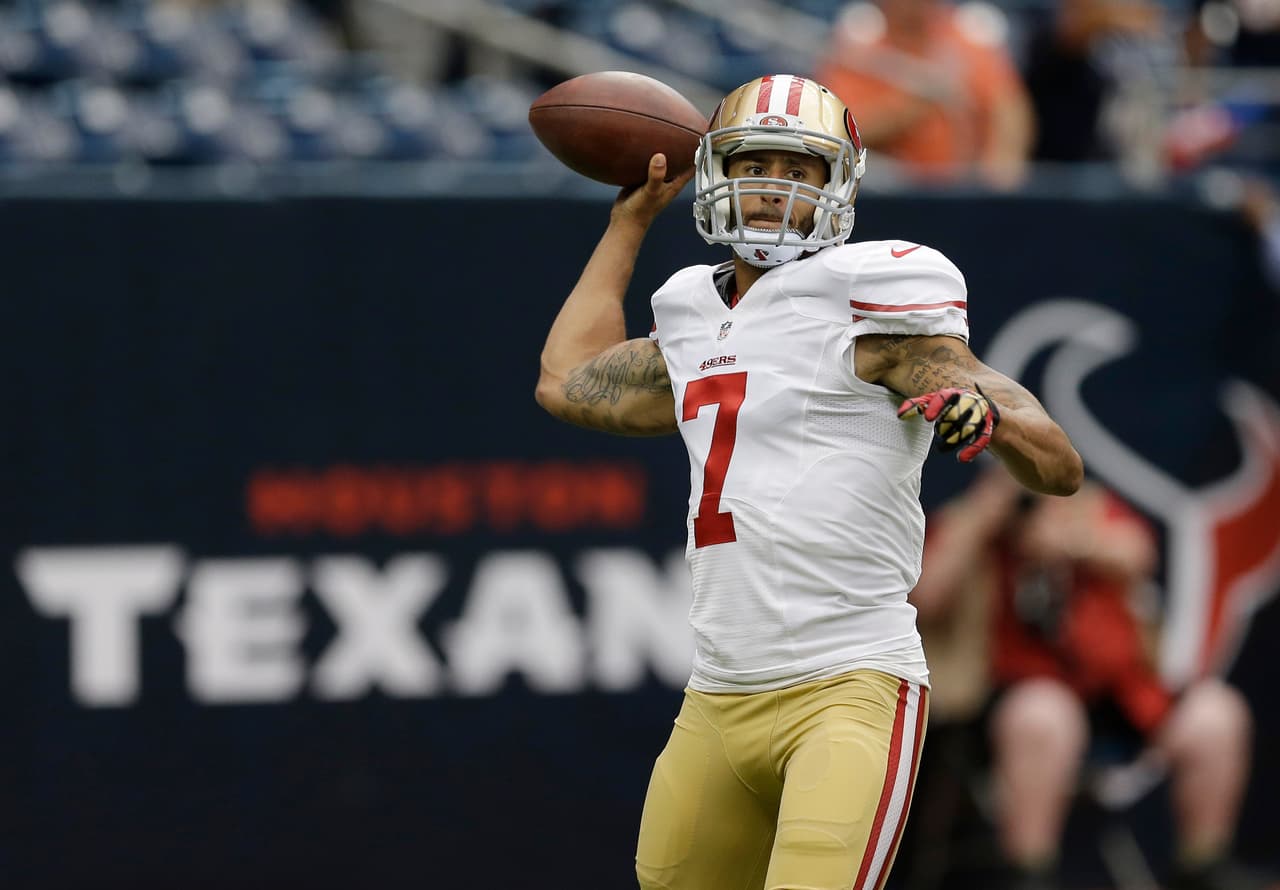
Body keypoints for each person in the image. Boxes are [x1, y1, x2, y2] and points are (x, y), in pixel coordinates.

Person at [534, 73, 1082, 890]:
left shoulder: (872, 302)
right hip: (719, 693)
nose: (775, 188)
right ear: (716, 170)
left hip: (850, 684)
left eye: (801, 170)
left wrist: (992, 422)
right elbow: (565, 380)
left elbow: (1060, 463)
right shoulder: (690, 310)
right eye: (758, 162)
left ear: (840, 187)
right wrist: (630, 220)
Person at [913, 469, 1273, 890]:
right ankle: (1030, 874)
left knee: (1215, 715)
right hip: (1010, 702)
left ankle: (1202, 867)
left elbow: (1138, 555)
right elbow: (924, 596)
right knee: (1045, 713)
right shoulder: (973, 518)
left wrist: (1069, 541)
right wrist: (985, 514)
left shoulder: (1084, 507)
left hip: (1116, 694)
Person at [813, 0, 1034, 190]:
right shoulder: (858, 48)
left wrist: (1002, 167)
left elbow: (1008, 108)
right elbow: (836, 132)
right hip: (888, 193)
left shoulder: (966, 40)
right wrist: (907, 112)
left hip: (961, 189)